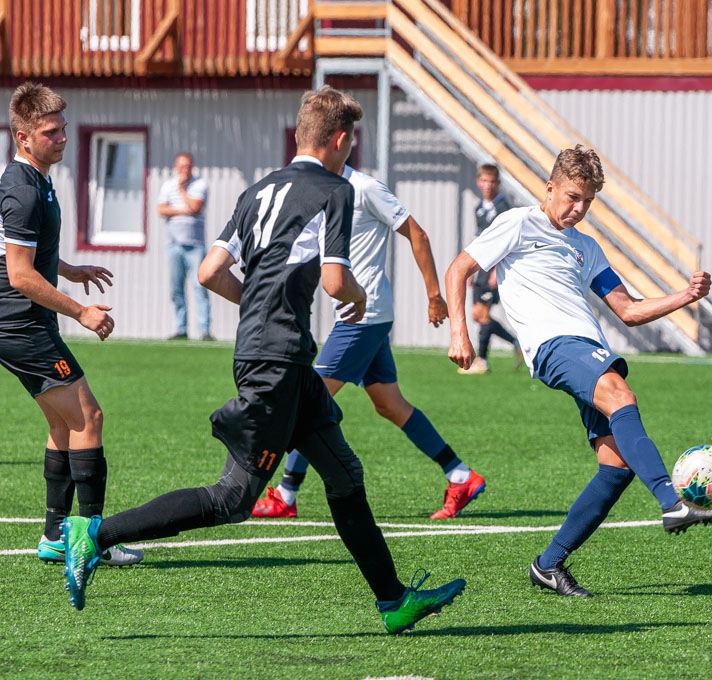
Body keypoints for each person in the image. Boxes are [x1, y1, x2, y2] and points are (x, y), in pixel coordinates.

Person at [60, 86, 465, 634]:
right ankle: (95, 535)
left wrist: (259, 304)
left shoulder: (257, 191)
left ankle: (394, 601)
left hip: (277, 355)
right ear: (340, 140)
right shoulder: (337, 190)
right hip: (277, 359)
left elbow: (209, 272)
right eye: (352, 142)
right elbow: (335, 281)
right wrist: (359, 297)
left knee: (344, 474)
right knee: (233, 498)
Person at [445, 145, 712, 598]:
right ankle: (671, 501)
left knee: (617, 464)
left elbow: (628, 310)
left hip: (588, 347)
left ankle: (548, 564)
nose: (579, 209)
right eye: (572, 197)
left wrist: (685, 297)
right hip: (553, 345)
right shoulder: (518, 223)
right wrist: (460, 333)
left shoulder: (586, 247)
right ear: (550, 188)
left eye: (588, 201)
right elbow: (459, 269)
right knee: (621, 395)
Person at [250, 157, 485, 521]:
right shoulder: (319, 188)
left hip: (364, 316)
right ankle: (460, 475)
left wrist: (434, 295)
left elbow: (418, 234)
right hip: (360, 316)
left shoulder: (365, 188)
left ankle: (286, 494)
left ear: (337, 142)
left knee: (306, 402)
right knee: (390, 404)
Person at [0, 82, 142, 569]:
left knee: (63, 423)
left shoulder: (33, 179)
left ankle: (56, 535)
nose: (62, 137)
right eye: (50, 132)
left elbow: (23, 252)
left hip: (20, 323)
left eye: (63, 128)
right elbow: (20, 275)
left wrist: (68, 268)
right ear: (23, 138)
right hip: (21, 325)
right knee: (89, 418)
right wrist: (81, 311)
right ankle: (92, 540)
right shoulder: (23, 189)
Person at [458, 163, 520, 374]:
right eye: (484, 181)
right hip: (480, 269)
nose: (488, 185)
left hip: (494, 268)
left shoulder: (504, 209)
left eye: (492, 181)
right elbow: (479, 241)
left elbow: (509, 243)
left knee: (481, 313)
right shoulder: (479, 208)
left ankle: (482, 361)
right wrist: (470, 268)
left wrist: (497, 270)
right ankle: (514, 343)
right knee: (478, 315)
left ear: (498, 183)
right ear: (478, 182)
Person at [157, 152, 213, 340]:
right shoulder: (167, 186)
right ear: (176, 167)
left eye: (188, 166)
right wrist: (183, 210)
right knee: (176, 289)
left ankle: (204, 330)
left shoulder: (200, 185)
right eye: (182, 166)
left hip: (195, 246)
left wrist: (181, 191)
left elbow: (196, 207)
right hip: (174, 245)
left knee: (200, 287)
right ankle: (181, 329)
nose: (185, 170)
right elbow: (161, 209)